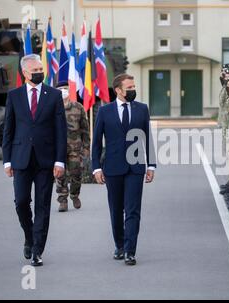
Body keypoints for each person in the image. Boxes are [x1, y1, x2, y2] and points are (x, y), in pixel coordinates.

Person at [2, 54, 67, 267]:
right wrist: (7, 161)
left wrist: (60, 161)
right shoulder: (14, 95)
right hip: (20, 159)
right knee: (21, 202)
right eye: (35, 70)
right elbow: (8, 130)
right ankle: (29, 237)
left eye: (41, 69)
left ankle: (37, 249)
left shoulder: (54, 95)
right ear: (25, 73)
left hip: (45, 160)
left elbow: (60, 131)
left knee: (43, 205)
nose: (40, 73)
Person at [91, 73, 156, 266]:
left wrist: (151, 165)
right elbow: (96, 143)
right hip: (112, 168)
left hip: (135, 168)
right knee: (116, 210)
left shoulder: (142, 109)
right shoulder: (105, 111)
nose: (133, 90)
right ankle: (119, 245)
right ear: (118, 90)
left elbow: (148, 138)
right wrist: (96, 168)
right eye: (129, 88)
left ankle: (130, 250)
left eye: (134, 86)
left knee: (133, 210)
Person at [54, 81, 90, 212]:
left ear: (69, 90)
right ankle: (62, 200)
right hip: (58, 149)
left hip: (75, 147)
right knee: (60, 175)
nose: (63, 91)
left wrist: (86, 147)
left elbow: (85, 129)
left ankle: (75, 195)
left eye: (65, 88)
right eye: (60, 89)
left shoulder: (78, 107)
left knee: (76, 173)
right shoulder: (52, 108)